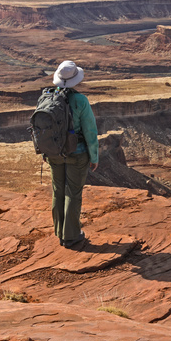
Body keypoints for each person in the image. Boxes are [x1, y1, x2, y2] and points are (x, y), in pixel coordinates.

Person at [47, 60, 99, 249]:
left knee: (58, 191)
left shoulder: (47, 96)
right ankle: (71, 236)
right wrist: (94, 157)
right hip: (77, 154)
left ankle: (59, 231)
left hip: (54, 153)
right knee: (73, 193)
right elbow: (90, 131)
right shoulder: (80, 101)